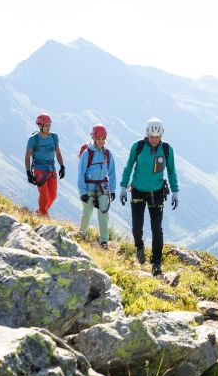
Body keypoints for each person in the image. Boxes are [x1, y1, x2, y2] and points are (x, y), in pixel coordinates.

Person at [120, 118, 179, 276]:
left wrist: (175, 192)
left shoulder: (166, 150)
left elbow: (172, 171)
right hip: (138, 190)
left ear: (161, 135)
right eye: (151, 137)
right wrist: (123, 187)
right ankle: (139, 248)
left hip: (157, 192)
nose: (154, 140)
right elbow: (128, 166)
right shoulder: (138, 147)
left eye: (157, 137)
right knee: (137, 225)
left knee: (156, 228)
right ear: (147, 134)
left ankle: (156, 262)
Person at [77, 124, 116, 249]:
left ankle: (104, 241)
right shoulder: (86, 154)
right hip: (88, 187)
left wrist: (113, 190)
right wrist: (82, 192)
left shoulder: (108, 154)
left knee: (103, 213)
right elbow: (81, 174)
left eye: (103, 139)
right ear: (94, 139)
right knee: (87, 212)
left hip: (102, 187)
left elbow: (112, 172)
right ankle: (82, 234)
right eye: (98, 139)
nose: (101, 141)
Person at [24, 113, 65, 217]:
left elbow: (58, 153)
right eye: (46, 125)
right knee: (44, 195)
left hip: (52, 169)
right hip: (39, 169)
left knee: (53, 195)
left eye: (49, 125)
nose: (48, 128)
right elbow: (27, 157)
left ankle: (39, 212)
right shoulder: (33, 139)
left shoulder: (54, 137)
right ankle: (44, 216)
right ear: (40, 126)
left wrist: (62, 166)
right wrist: (29, 173)